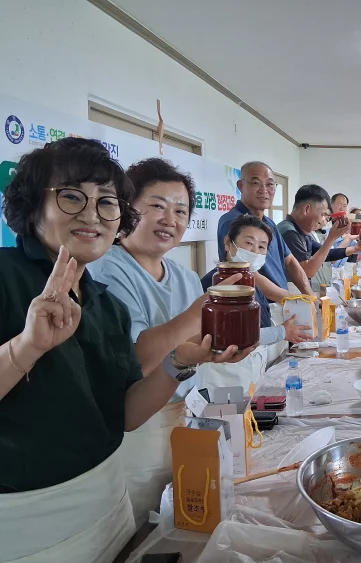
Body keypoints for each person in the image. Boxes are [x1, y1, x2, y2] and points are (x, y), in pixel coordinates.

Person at [0, 139, 243, 562]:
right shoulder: (5, 276)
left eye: (107, 202)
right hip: (26, 519)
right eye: (72, 196)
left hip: (109, 502)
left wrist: (179, 362)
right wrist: (26, 348)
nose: (91, 214)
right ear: (32, 205)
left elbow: (126, 413)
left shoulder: (105, 303)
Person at [87, 158, 256, 528]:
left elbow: (190, 347)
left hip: (186, 415)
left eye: (181, 210)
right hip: (135, 428)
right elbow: (137, 359)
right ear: (126, 209)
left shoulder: (182, 275)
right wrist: (200, 310)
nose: (170, 219)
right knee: (141, 527)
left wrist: (222, 351)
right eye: (157, 206)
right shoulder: (106, 269)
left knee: (184, 522)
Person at [217, 161, 314, 325]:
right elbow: (247, 275)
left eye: (269, 184)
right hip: (255, 311)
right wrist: (292, 298)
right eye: (256, 183)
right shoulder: (232, 222)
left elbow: (290, 260)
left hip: (282, 306)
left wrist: (309, 296)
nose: (264, 190)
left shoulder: (269, 223)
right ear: (240, 186)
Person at [277, 184, 361, 280]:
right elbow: (307, 272)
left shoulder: (300, 232)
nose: (323, 220)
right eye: (323, 214)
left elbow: (327, 253)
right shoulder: (289, 232)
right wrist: (332, 237)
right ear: (306, 209)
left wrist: (355, 249)